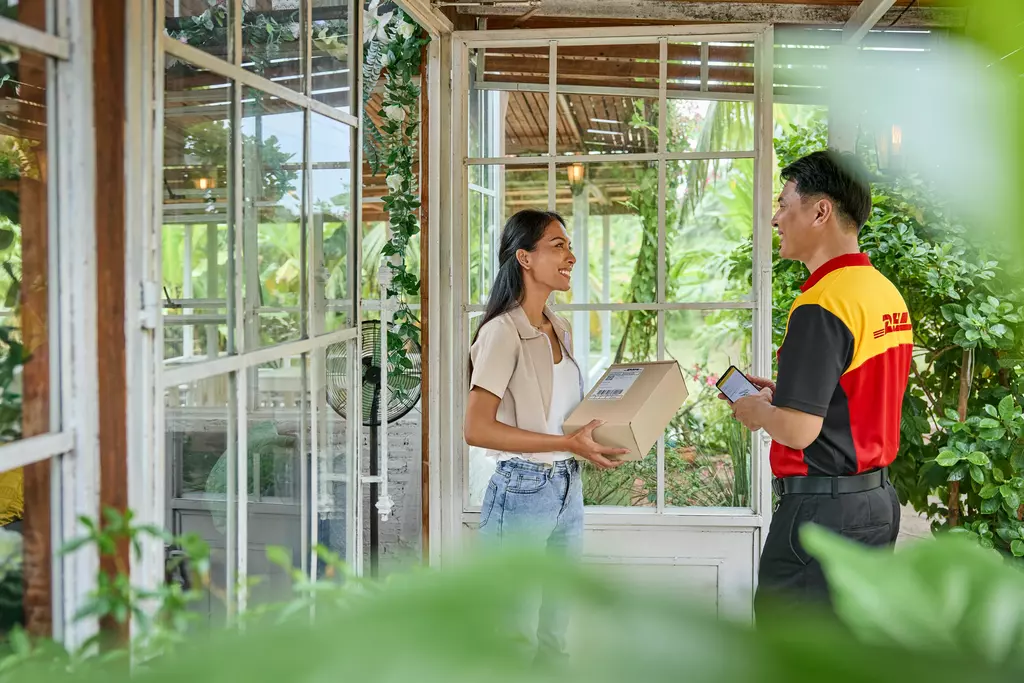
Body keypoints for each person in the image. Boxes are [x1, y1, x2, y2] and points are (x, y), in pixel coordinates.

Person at [725, 150, 911, 622]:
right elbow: (857, 392)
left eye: (784, 204)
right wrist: (786, 393)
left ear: (821, 211)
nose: (775, 218)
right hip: (875, 505)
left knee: (791, 651)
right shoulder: (882, 293)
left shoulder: (822, 303)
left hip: (822, 516)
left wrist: (758, 411)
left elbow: (798, 431)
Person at [464, 208, 628, 663]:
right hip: (522, 489)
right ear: (524, 258)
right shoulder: (502, 333)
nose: (571, 257)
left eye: (569, 247)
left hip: (566, 485)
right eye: (558, 246)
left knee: (556, 628)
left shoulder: (560, 328)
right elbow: (476, 428)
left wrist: (592, 439)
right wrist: (564, 444)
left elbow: (560, 417)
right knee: (512, 629)